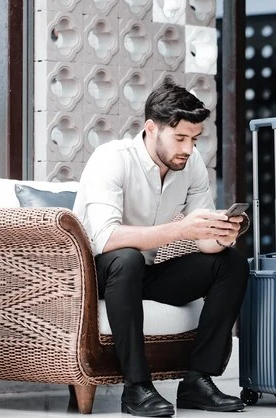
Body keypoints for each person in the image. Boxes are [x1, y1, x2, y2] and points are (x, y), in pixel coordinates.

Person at [73, 81, 250, 417]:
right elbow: (105, 238)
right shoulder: (112, 159)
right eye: (179, 138)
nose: (188, 148)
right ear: (151, 128)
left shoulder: (191, 165)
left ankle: (197, 381)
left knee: (232, 264)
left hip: (142, 272)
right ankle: (136, 388)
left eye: (194, 139)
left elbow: (203, 241)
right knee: (126, 259)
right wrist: (181, 229)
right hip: (93, 273)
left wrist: (222, 235)